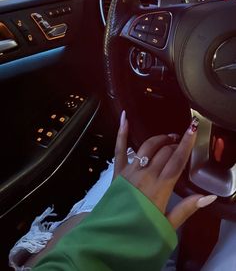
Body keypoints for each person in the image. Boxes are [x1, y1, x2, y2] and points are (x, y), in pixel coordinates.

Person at [10, 112, 219, 271]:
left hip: (75, 233)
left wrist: (113, 214)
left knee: (138, 162)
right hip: (101, 239)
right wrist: (115, 237)